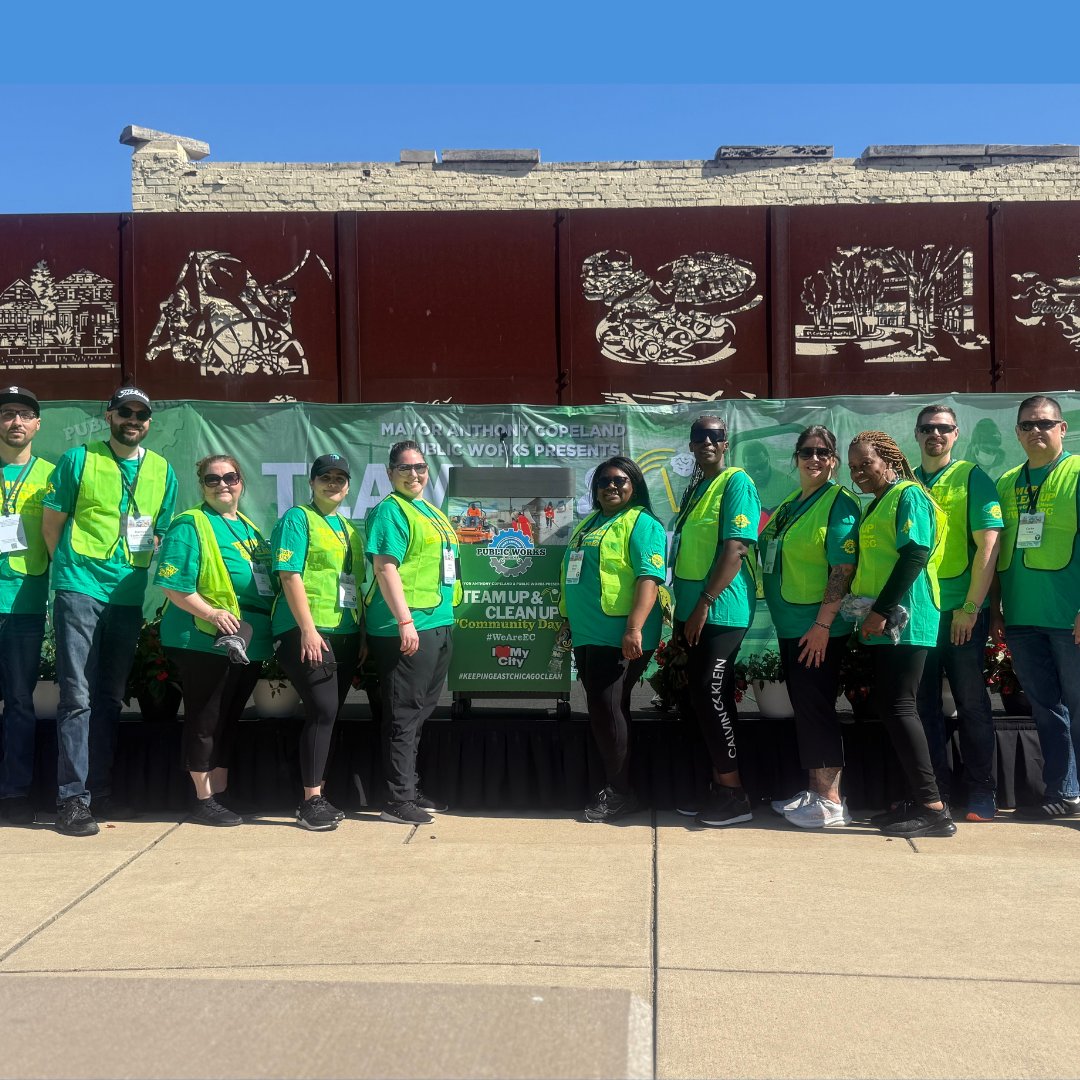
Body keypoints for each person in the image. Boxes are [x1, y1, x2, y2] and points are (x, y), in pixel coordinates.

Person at [42, 387, 178, 837]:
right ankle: (71, 800)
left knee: (107, 696)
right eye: (125, 411)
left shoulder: (162, 469)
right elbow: (52, 525)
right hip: (79, 588)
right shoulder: (78, 459)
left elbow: (158, 531)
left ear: (149, 422)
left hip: (127, 594)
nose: (132, 419)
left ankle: (98, 793)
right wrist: (70, 575)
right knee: (76, 696)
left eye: (141, 413)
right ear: (109, 416)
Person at [847, 430, 954, 838]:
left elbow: (915, 553)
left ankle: (933, 809)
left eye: (866, 463)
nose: (858, 472)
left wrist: (880, 610)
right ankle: (916, 799)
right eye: (853, 466)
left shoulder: (909, 494)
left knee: (900, 706)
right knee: (892, 706)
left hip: (907, 619)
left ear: (889, 459)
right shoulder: (878, 503)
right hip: (887, 621)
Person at [156, 455, 274, 826]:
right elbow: (174, 586)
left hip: (247, 639)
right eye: (213, 479)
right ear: (202, 485)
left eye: (231, 477)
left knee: (228, 717)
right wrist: (211, 614)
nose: (223, 484)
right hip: (205, 638)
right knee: (206, 717)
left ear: (242, 482)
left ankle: (221, 793)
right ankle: (202, 798)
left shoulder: (250, 528)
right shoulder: (190, 524)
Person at [760, 426, 860, 829]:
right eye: (806, 452)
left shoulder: (840, 501)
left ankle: (831, 802)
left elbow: (843, 567)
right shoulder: (791, 501)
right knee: (805, 707)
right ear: (796, 457)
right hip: (792, 624)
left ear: (834, 459)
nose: (813, 458)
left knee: (817, 709)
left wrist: (823, 623)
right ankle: (814, 790)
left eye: (822, 452)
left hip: (816, 628)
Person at [560, 456, 666, 822]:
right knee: (601, 708)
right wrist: (567, 618)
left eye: (620, 480)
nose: (612, 486)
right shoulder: (590, 523)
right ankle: (614, 784)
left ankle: (621, 793)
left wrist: (634, 628)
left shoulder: (643, 523)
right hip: (588, 630)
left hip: (620, 633)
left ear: (634, 485)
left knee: (608, 708)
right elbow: (574, 574)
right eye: (604, 481)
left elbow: (649, 577)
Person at [990, 395, 1080, 819]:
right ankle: (1062, 792)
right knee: (1046, 711)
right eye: (1027, 425)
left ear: (1063, 428)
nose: (1035, 431)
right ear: (1017, 432)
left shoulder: (1077, 473)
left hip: (1070, 618)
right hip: (1023, 618)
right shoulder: (1007, 481)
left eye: (1045, 423)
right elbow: (990, 552)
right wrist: (995, 612)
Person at [913, 404, 1002, 822]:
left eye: (944, 428)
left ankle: (982, 792)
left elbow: (989, 547)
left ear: (956, 434)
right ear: (917, 434)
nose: (936, 434)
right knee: (923, 705)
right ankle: (937, 793)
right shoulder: (908, 482)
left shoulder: (973, 477)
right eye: (928, 428)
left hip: (961, 613)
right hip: (920, 613)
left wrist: (971, 608)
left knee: (971, 704)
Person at [670, 415, 760, 827]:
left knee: (710, 693)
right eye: (699, 437)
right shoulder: (696, 488)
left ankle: (734, 794)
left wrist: (705, 601)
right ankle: (714, 785)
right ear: (690, 446)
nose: (707, 442)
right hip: (692, 611)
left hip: (721, 610)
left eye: (715, 436)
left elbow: (737, 547)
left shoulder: (736, 482)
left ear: (726, 443)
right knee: (702, 699)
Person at [365, 440, 460, 825]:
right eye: (404, 469)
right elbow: (385, 568)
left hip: (436, 621)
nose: (414, 474)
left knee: (420, 713)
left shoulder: (429, 511)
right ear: (390, 473)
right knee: (404, 714)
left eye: (419, 467)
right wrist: (405, 621)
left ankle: (408, 785)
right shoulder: (390, 511)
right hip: (406, 626)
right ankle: (397, 798)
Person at [270, 453, 364, 831]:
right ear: (311, 482)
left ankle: (319, 795)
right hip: (306, 630)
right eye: (325, 477)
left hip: (342, 630)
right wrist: (308, 629)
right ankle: (310, 802)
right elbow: (289, 574)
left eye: (340, 478)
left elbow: (353, 585)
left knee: (330, 716)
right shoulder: (297, 518)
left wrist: (358, 633)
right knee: (323, 712)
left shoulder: (347, 528)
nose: (333, 484)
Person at [0, 388, 53, 826]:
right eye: (7, 414)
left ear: (37, 424)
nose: (15, 422)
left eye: (24, 415)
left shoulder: (54, 477)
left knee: (19, 700)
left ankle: (15, 792)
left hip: (26, 603)